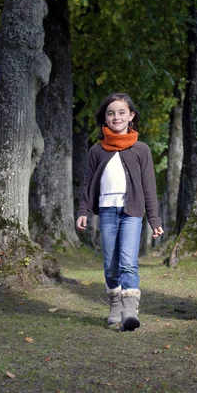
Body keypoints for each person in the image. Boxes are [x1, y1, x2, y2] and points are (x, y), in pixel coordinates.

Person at [76, 92, 164, 331]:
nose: (116, 117)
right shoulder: (97, 151)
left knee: (128, 262)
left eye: (121, 112)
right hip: (107, 212)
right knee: (110, 265)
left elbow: (149, 186)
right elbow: (87, 184)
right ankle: (115, 304)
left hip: (132, 212)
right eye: (111, 113)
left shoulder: (141, 150)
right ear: (105, 118)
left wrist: (153, 219)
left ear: (131, 116)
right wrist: (83, 210)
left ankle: (130, 311)